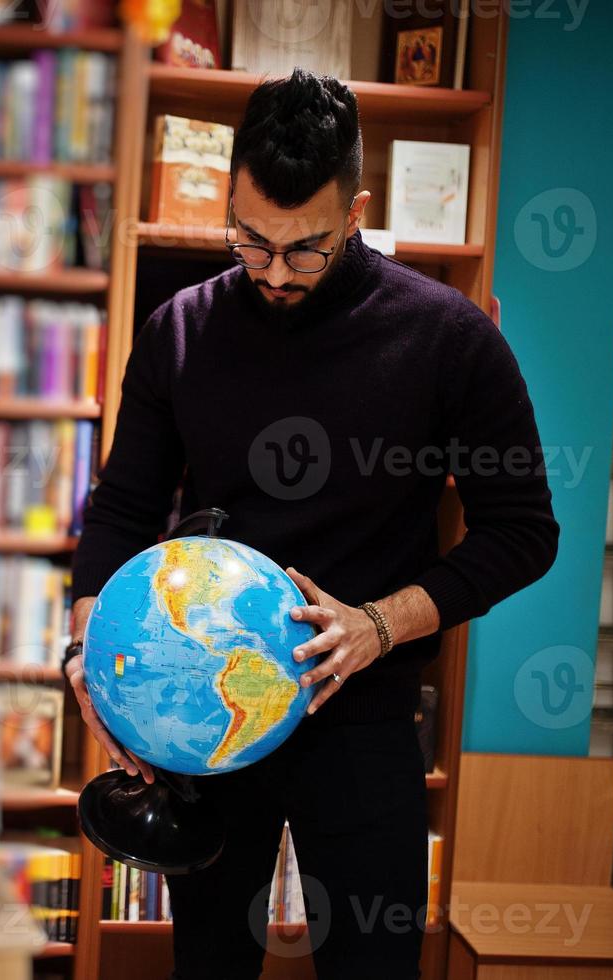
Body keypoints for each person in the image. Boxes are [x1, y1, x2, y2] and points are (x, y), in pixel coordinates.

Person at [61, 69, 560, 979]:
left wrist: (379, 625)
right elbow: (125, 507)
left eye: (306, 249)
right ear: (230, 199)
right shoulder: (179, 331)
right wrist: (89, 651)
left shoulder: (449, 340)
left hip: (362, 721)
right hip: (210, 716)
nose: (276, 273)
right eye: (251, 243)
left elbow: (522, 531)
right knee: (207, 964)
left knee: (371, 966)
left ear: (357, 208)